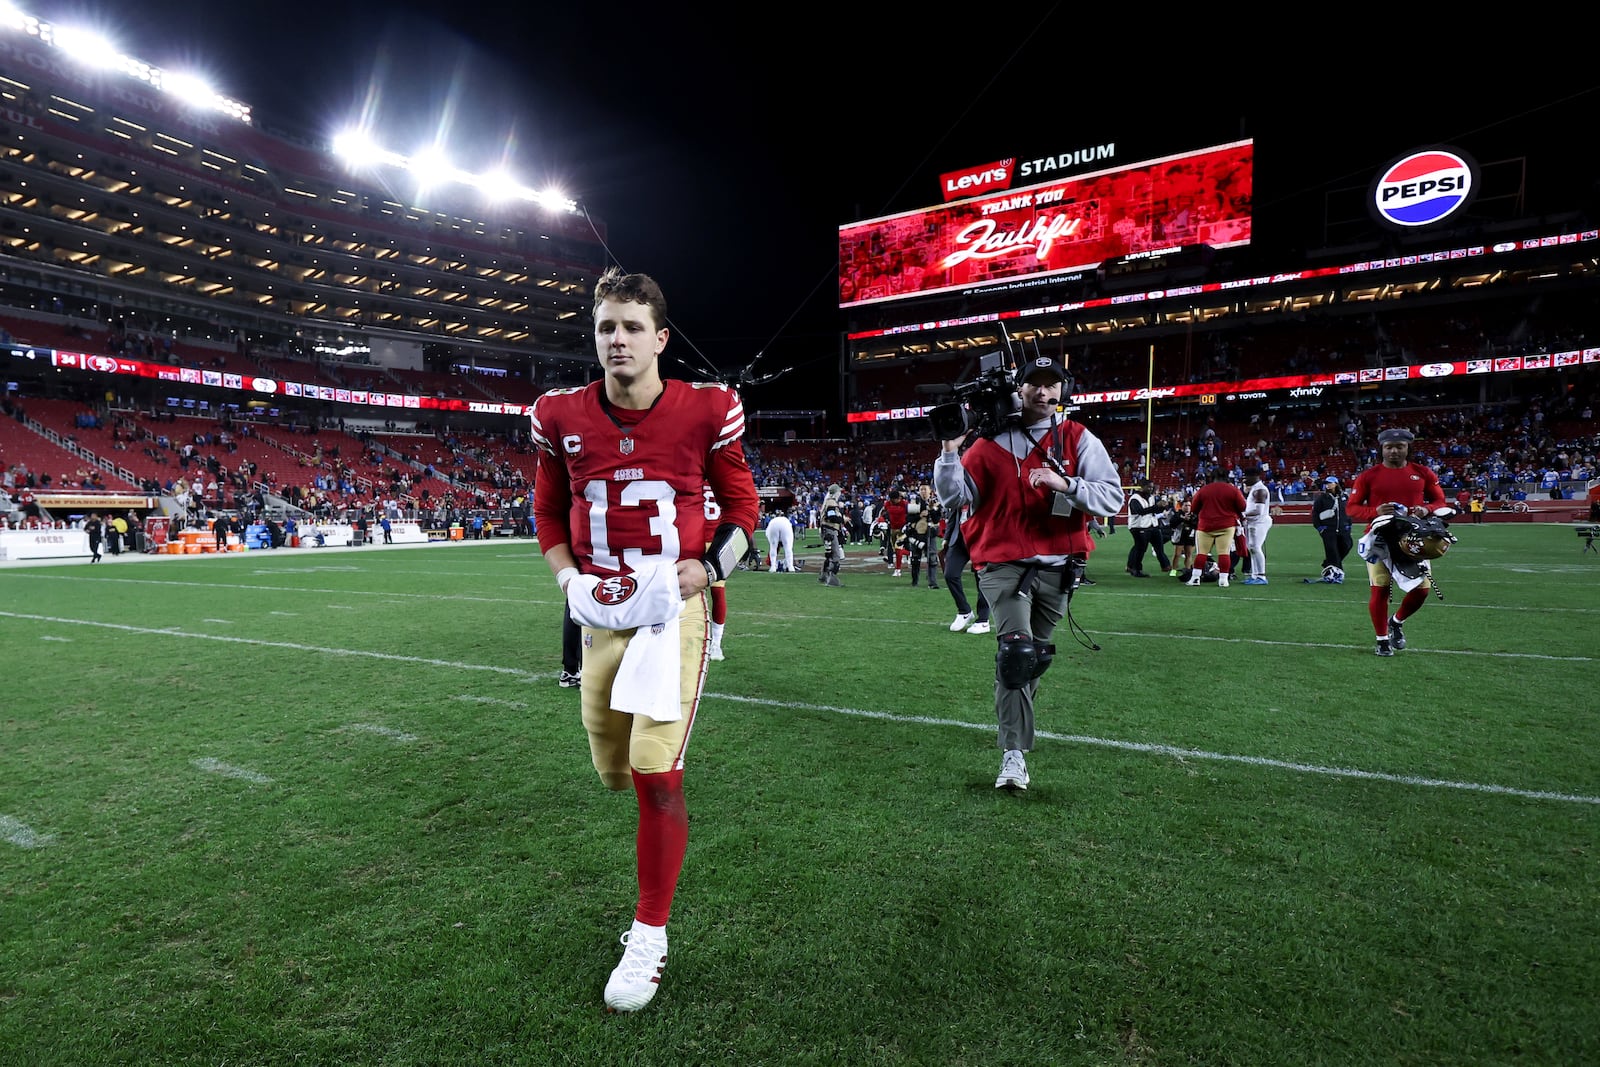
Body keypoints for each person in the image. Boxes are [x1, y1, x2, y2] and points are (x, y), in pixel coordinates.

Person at [529, 265, 758, 1012]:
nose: (618, 339)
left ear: (661, 338)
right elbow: (548, 508)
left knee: (657, 769)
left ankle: (650, 932)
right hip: (599, 611)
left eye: (632, 326)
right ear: (594, 338)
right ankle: (649, 838)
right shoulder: (559, 414)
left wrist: (706, 567)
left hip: (670, 613)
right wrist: (569, 583)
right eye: (606, 327)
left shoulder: (706, 410)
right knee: (612, 761)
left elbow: (743, 508)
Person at [933, 353, 1124, 791]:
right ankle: (1013, 756)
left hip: (1059, 568)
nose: (1043, 392)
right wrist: (948, 450)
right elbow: (952, 499)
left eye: (1051, 384)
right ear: (1019, 389)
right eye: (1034, 384)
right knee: (1015, 656)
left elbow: (1112, 500)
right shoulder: (987, 444)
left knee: (1032, 661)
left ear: (1064, 390)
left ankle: (1015, 727)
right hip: (1003, 565)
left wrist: (1066, 485)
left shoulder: (1079, 438)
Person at [1347, 427, 1453, 656]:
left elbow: (1440, 500)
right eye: (1389, 447)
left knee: (1422, 591)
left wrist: (1427, 509)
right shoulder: (1369, 476)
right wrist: (1375, 510)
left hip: (1414, 539)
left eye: (1399, 446)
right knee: (1380, 589)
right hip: (1380, 540)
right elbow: (1351, 508)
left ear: (1408, 448)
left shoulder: (1423, 472)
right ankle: (1382, 639)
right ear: (1381, 449)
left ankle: (1396, 621)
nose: (1394, 451)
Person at [1184, 468, 1246, 588]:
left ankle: (1195, 578)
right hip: (1226, 524)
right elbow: (1242, 506)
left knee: (1202, 553)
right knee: (1224, 553)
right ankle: (1223, 579)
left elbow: (1194, 508)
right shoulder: (1233, 490)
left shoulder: (1204, 490)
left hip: (1206, 525)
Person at [942, 513, 992, 634]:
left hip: (980, 539)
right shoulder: (961, 494)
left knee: (981, 578)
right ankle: (964, 611)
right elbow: (954, 514)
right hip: (959, 538)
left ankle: (983, 620)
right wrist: (947, 537)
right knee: (950, 574)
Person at [1306, 475, 1353, 583]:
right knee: (1332, 550)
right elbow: (1315, 513)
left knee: (1347, 545)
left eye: (1330, 483)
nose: (1327, 485)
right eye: (1326, 483)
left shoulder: (1344, 496)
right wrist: (1320, 527)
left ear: (1336, 484)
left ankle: (1329, 564)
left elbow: (1348, 511)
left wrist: (1348, 524)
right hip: (1328, 529)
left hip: (1343, 528)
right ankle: (1337, 572)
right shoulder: (1322, 498)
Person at [1123, 477, 1170, 577]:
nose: (1151, 489)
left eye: (1152, 487)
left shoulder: (1151, 497)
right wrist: (1156, 506)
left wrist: (1162, 507)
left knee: (1157, 545)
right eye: (1148, 487)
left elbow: (1154, 510)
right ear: (1142, 487)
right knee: (1140, 548)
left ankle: (1165, 565)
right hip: (1138, 526)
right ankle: (1136, 569)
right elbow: (1140, 511)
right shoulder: (1135, 498)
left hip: (1152, 525)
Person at [903, 484, 941, 589]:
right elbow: (908, 519)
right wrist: (919, 515)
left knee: (932, 559)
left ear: (930, 491)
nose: (923, 491)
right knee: (915, 558)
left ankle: (932, 582)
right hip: (916, 534)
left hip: (930, 534)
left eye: (925, 489)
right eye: (921, 489)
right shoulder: (914, 503)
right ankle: (915, 581)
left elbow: (937, 519)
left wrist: (932, 509)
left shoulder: (936, 503)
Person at [1241, 467, 1274, 584]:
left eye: (1246, 477)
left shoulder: (1260, 490)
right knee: (1252, 548)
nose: (1244, 480)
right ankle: (1255, 575)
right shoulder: (1255, 488)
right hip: (1253, 522)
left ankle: (1261, 576)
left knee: (1255, 547)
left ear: (1254, 476)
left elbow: (1258, 510)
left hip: (1259, 522)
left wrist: (1242, 514)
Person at [817, 485, 846, 587]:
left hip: (827, 529)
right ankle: (831, 579)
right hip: (830, 530)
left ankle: (823, 576)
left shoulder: (828, 502)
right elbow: (831, 517)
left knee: (829, 554)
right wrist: (842, 519)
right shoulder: (831, 502)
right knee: (836, 555)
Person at [763, 503, 795, 573]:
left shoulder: (772, 521)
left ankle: (773, 567)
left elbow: (772, 542)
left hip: (773, 525)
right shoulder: (786, 521)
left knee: (773, 547)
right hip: (785, 525)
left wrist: (776, 544)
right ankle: (790, 566)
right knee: (788, 548)